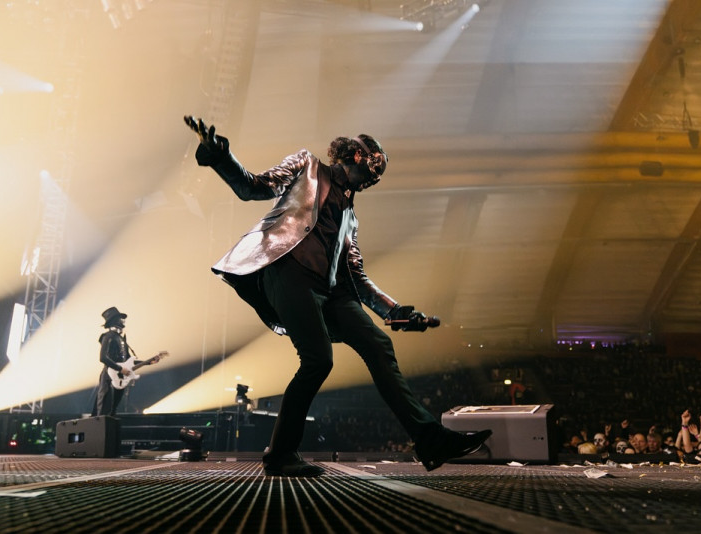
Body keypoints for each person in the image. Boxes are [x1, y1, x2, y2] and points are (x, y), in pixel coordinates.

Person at [184, 116, 492, 477]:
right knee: (318, 360)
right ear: (357, 156)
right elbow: (255, 186)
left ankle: (429, 438)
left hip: (330, 291)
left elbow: (357, 277)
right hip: (289, 270)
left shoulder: (351, 217)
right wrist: (222, 157)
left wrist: (398, 312)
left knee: (378, 344)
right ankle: (280, 455)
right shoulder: (309, 167)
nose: (376, 177)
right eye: (375, 167)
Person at [93, 306, 161, 417]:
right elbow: (103, 358)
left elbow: (129, 361)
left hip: (120, 377)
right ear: (114, 320)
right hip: (109, 376)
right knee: (104, 408)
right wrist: (120, 369)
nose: (123, 320)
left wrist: (148, 362)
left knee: (114, 410)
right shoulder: (107, 336)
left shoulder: (122, 338)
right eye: (120, 318)